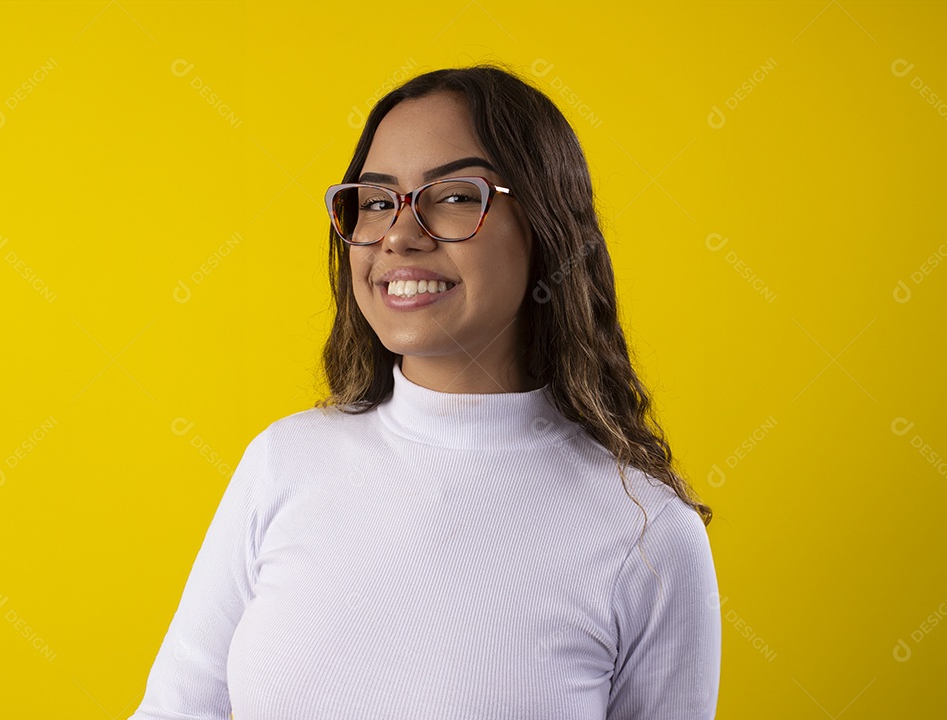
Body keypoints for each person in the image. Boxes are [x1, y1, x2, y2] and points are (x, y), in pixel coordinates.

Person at [129, 63, 720, 720]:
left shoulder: (649, 534)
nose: (400, 235)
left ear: (547, 224)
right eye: (378, 201)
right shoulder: (283, 463)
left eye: (456, 195)